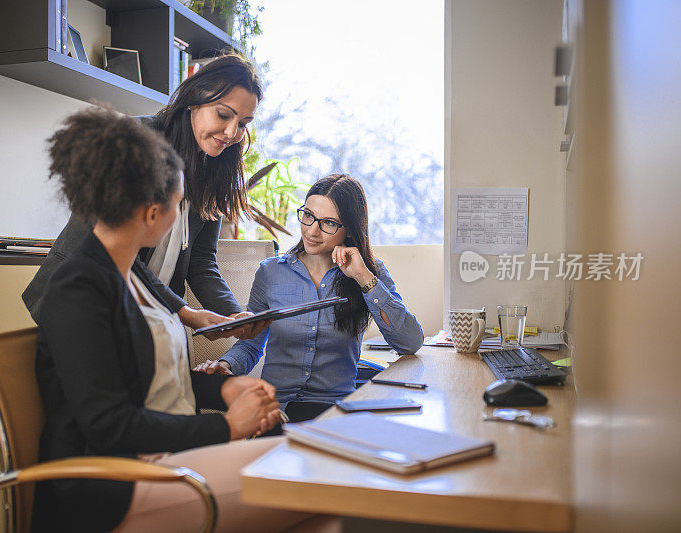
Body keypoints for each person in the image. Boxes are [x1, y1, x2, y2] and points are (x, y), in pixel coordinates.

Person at [31, 106, 330, 533]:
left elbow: (156, 377)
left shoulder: (137, 278)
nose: (180, 219)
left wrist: (225, 384)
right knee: (316, 481)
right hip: (113, 484)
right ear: (152, 213)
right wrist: (226, 426)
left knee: (318, 485)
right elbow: (109, 424)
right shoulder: (78, 289)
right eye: (177, 204)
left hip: (162, 456)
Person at [22, 54, 265, 339]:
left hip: (149, 312)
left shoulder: (214, 167)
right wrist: (182, 312)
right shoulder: (135, 141)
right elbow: (116, 247)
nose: (231, 132)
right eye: (223, 115)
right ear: (193, 100)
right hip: (85, 299)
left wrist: (232, 316)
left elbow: (201, 261)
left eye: (243, 123)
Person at [196, 174, 425, 422]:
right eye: (308, 216)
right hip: (275, 411)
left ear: (349, 229)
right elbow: (251, 344)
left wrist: (362, 276)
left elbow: (409, 342)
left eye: (328, 223)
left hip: (334, 413)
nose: (312, 231)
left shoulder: (369, 272)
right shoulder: (271, 272)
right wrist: (227, 365)